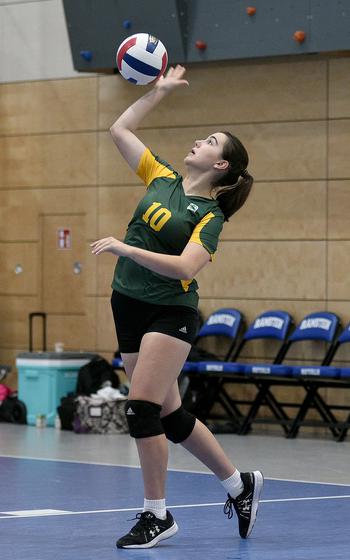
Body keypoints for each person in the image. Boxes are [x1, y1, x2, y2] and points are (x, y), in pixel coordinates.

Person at [91, 65, 263, 549]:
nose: (199, 142)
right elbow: (119, 129)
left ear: (221, 165)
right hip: (127, 304)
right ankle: (239, 484)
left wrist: (128, 249)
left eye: (210, 141)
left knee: (141, 408)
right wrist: (157, 92)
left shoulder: (208, 216)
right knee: (169, 416)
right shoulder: (161, 175)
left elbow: (185, 267)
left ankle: (156, 515)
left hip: (170, 312)